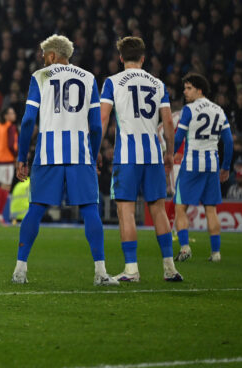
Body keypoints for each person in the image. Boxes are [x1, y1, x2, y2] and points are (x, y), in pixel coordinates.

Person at [11, 34, 118, 286]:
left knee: (35, 209)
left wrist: (22, 156)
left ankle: (20, 269)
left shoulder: (41, 77)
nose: (42, 60)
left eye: (43, 56)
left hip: (48, 153)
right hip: (80, 154)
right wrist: (92, 154)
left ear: (51, 56)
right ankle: (101, 273)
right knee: (90, 209)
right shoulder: (89, 78)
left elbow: (28, 121)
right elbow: (95, 125)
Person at [99, 36, 182, 282]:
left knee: (125, 210)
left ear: (121, 58)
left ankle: (132, 270)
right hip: (154, 155)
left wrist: (94, 151)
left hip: (127, 157)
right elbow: (168, 121)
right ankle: (170, 268)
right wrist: (169, 152)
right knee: (157, 209)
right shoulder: (158, 84)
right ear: (143, 58)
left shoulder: (112, 82)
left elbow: (103, 119)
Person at [172, 73, 232, 263]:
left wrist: (168, 156)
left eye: (189, 88)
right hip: (212, 164)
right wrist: (226, 167)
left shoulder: (189, 110)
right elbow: (229, 142)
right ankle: (216, 253)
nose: (185, 91)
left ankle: (184, 248)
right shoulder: (219, 110)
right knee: (211, 209)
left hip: (191, 164)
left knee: (180, 207)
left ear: (199, 90)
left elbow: (178, 138)